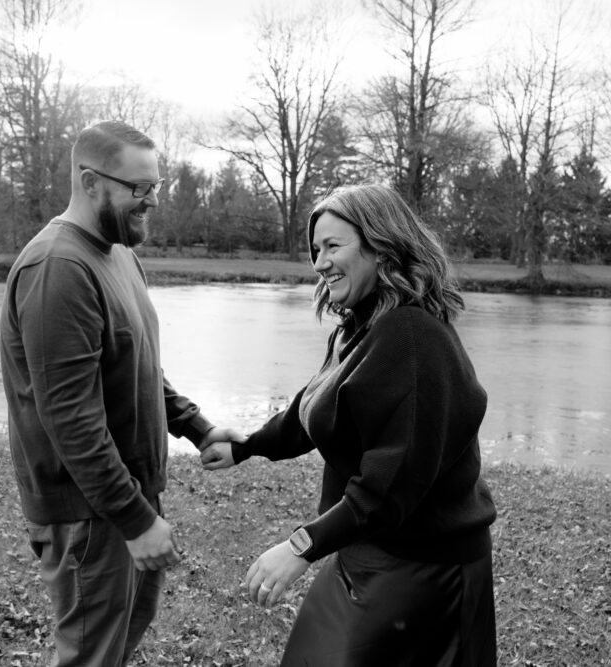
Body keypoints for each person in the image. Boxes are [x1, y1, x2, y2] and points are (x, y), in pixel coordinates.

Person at [202, 184, 498, 666]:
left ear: (381, 247)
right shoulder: (362, 325)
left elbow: (391, 484)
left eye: (333, 246)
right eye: (316, 249)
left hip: (425, 567)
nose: (319, 262)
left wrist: (302, 546)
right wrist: (248, 445)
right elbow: (314, 410)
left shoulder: (413, 336)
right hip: (366, 550)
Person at [0, 120, 240, 666]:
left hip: (126, 498)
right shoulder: (58, 268)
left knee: (113, 648)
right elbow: (70, 419)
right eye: (139, 188)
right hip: (90, 514)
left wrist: (196, 426)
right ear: (90, 183)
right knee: (91, 656)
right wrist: (135, 521)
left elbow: (139, 365)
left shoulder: (121, 255)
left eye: (156, 186)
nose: (152, 200)